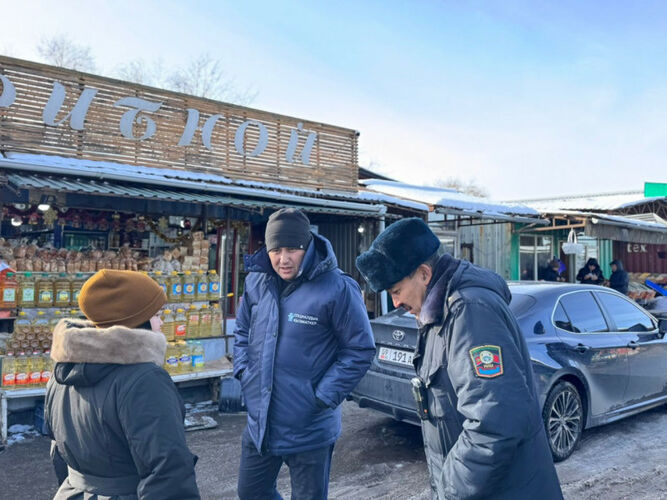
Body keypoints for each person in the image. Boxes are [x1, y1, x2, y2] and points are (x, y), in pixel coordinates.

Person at [356, 218, 562, 500]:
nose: (396, 303)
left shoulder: (469, 312)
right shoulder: (438, 314)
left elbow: (494, 422)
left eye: (396, 291)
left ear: (424, 274)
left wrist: (449, 491)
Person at [233, 208, 375, 500]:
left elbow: (359, 349)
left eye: (292, 249)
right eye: (276, 250)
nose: (283, 259)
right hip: (261, 421)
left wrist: (322, 397)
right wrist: (244, 372)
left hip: (309, 426)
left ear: (307, 246)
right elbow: (243, 332)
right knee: (251, 493)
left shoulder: (337, 288)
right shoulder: (256, 281)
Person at [45, 270, 200, 500]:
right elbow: (168, 471)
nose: (161, 322)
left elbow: (58, 451)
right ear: (137, 321)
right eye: (157, 315)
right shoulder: (145, 379)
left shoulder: (63, 369)